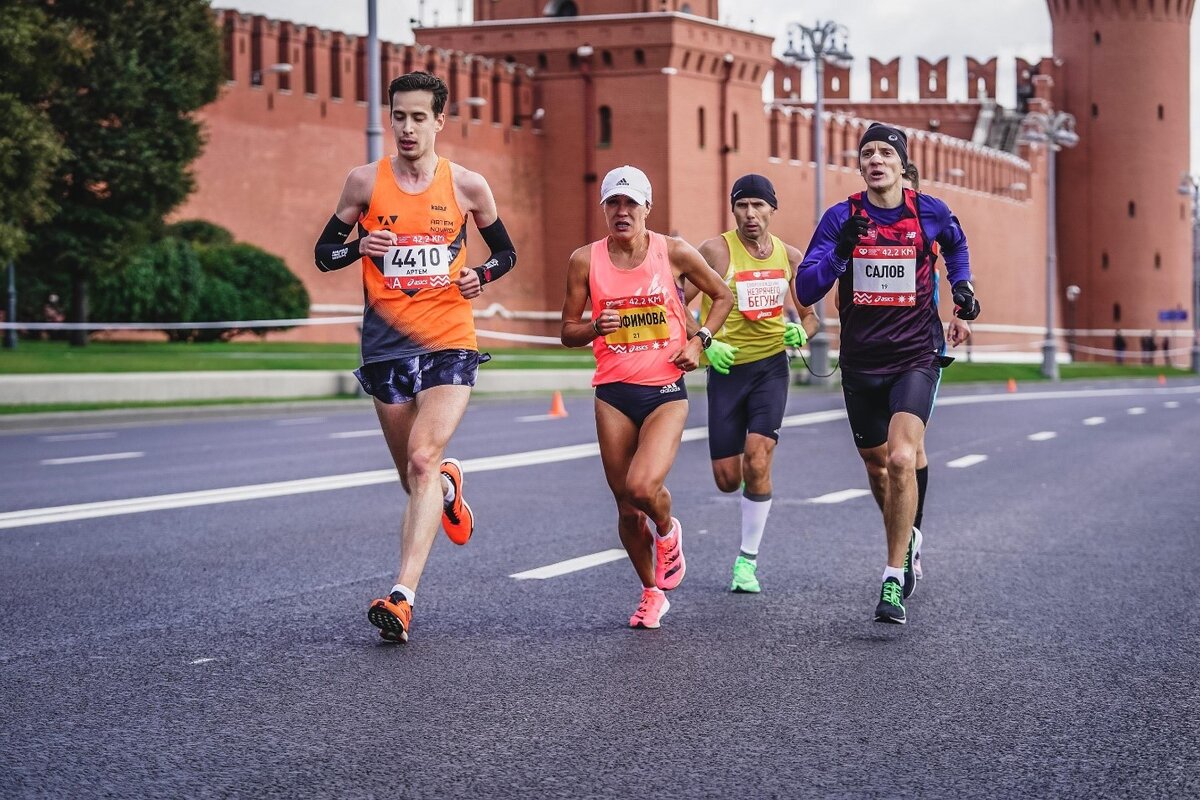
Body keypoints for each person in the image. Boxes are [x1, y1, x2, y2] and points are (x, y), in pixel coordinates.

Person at [313, 71, 517, 643]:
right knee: (415, 475)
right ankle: (450, 489)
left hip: (450, 336)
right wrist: (358, 247)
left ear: (439, 122)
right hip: (385, 347)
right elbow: (324, 254)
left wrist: (481, 275)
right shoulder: (363, 183)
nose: (406, 127)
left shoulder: (468, 186)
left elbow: (506, 253)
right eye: (398, 116)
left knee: (423, 458)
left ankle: (402, 597)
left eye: (418, 117)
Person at [797, 123, 979, 624]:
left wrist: (961, 291)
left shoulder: (929, 211)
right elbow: (806, 288)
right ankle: (908, 536)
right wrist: (840, 252)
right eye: (867, 152)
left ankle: (893, 577)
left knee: (902, 457)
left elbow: (957, 249)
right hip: (860, 361)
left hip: (915, 355)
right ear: (860, 166)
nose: (876, 159)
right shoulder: (842, 217)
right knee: (879, 467)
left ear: (902, 164)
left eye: (885, 152)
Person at [561, 165, 732, 629]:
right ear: (603, 208)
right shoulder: (585, 260)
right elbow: (567, 331)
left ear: (646, 208)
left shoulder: (673, 252)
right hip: (613, 392)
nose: (622, 212)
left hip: (664, 391)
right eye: (614, 203)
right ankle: (651, 591)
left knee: (642, 487)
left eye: (631, 203)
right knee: (624, 504)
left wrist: (701, 343)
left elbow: (723, 296)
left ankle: (668, 529)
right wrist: (594, 327)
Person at [684, 174, 818, 593]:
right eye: (742, 206)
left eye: (759, 206)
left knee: (758, 460)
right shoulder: (715, 252)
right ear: (733, 210)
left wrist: (802, 333)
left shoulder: (790, 257)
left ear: (772, 210)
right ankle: (749, 487)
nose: (750, 214)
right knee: (727, 478)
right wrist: (704, 339)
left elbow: (810, 317)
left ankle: (747, 562)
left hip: (770, 369)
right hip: (725, 370)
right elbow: (675, 301)